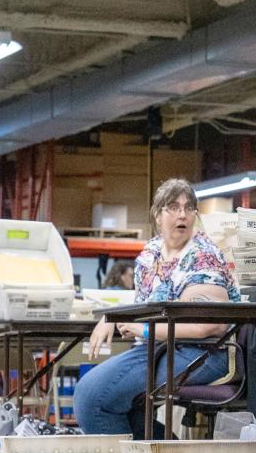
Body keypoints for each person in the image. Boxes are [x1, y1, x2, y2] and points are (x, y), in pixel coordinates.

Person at [74, 178, 240, 439]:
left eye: (189, 208)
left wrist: (145, 330)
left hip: (203, 353)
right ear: (157, 215)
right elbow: (143, 302)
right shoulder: (151, 253)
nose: (182, 214)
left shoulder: (203, 256)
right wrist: (112, 316)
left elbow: (208, 326)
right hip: (160, 348)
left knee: (91, 398)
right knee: (99, 398)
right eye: (173, 207)